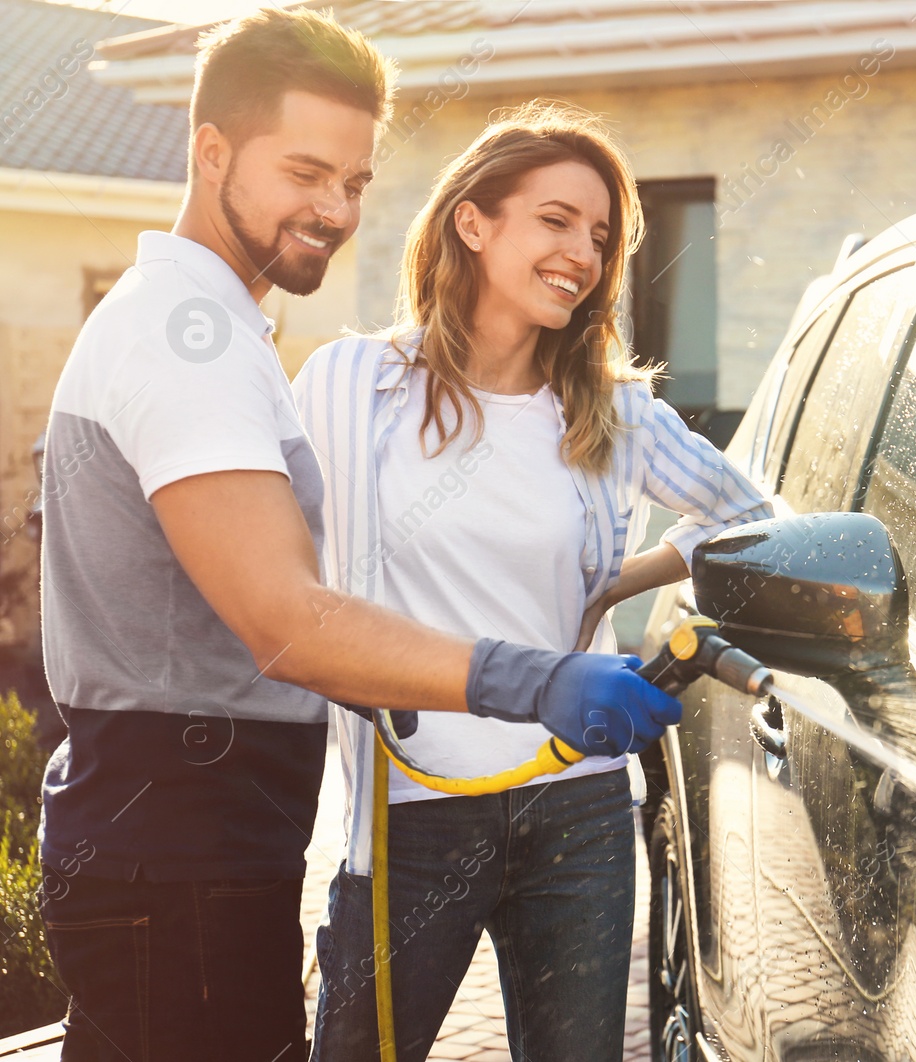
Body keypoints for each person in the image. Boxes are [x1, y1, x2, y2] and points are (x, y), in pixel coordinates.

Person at [35, 14, 677, 1062]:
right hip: (178, 856)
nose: (332, 210)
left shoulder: (211, 329)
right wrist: (533, 681)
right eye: (303, 172)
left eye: (355, 181)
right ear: (210, 152)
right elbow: (288, 624)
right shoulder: (187, 342)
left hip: (189, 851)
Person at [297, 100, 773, 1061]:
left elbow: (752, 517)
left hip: (577, 804)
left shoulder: (611, 411)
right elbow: (286, 578)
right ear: (473, 222)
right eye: (555, 221)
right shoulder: (350, 384)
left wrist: (610, 584)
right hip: (405, 816)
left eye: (601, 236)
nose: (585, 254)